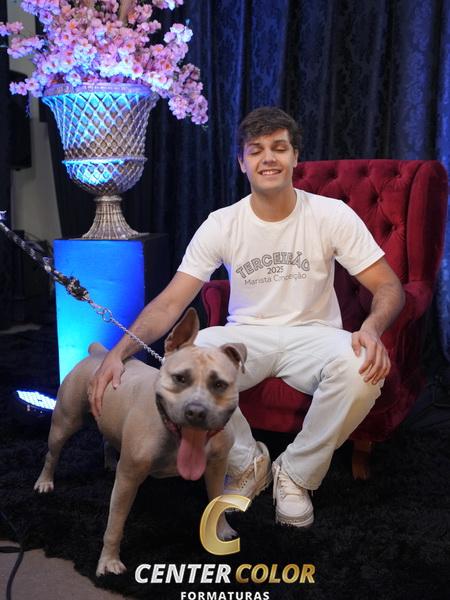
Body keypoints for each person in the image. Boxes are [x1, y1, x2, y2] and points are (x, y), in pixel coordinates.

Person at [89, 107, 404, 528]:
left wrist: (372, 327)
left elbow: (388, 286)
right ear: (242, 162)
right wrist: (119, 351)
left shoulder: (331, 215)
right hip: (246, 337)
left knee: (363, 368)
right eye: (256, 150)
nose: (268, 158)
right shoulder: (222, 223)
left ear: (295, 157)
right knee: (195, 349)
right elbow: (170, 303)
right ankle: (249, 461)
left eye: (279, 148)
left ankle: (296, 474)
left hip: (314, 335)